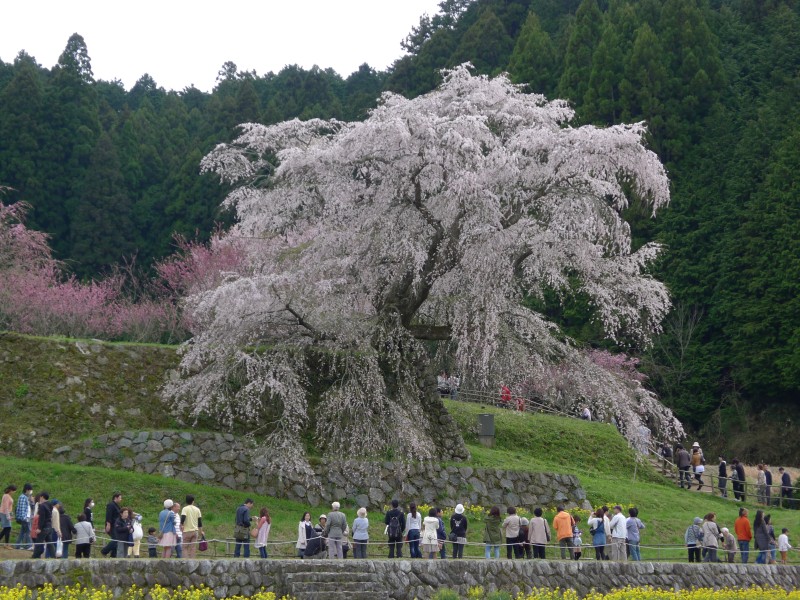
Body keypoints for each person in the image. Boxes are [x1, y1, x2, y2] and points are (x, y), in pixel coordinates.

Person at [180, 494, 203, 559]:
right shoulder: (197, 509)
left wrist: (181, 525)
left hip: (187, 531)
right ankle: (192, 561)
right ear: (193, 501)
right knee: (193, 547)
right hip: (195, 531)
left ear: (186, 501)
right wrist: (201, 531)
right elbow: (199, 522)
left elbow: (183, 518)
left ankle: (186, 561)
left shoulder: (185, 509)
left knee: (185, 547)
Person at [31, 492, 53, 559]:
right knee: (50, 543)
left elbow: (41, 518)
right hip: (49, 525)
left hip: (44, 527)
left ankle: (34, 557)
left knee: (38, 542)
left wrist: (39, 528)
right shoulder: (50, 504)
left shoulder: (42, 506)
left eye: (40, 497)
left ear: (42, 497)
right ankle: (53, 556)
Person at [100, 492, 123, 558]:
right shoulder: (111, 505)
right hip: (111, 525)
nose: (121, 499)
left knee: (117, 541)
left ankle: (113, 556)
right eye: (120, 498)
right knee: (116, 540)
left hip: (116, 525)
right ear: (116, 498)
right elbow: (108, 515)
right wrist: (108, 524)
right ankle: (104, 551)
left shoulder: (117, 506)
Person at [14, 483, 33, 551]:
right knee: (28, 531)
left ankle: (17, 545)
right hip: (24, 518)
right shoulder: (23, 497)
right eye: (30, 490)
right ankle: (29, 545)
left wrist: (31, 500)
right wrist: (24, 518)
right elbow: (22, 508)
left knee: (22, 532)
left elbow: (29, 507)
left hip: (26, 518)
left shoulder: (26, 497)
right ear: (27, 490)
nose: (31, 492)